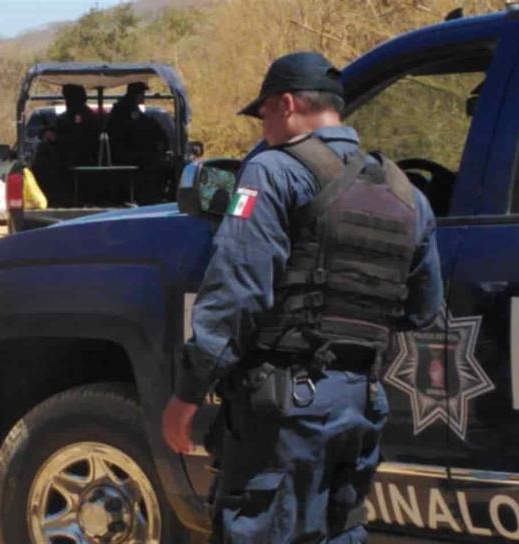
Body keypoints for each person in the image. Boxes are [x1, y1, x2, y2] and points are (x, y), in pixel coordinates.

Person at [161, 52, 444, 542]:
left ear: (287, 104)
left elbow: (236, 291)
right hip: (362, 402)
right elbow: (423, 309)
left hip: (284, 410)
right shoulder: (406, 194)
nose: (262, 128)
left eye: (264, 114)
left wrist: (187, 395)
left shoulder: (273, 171)